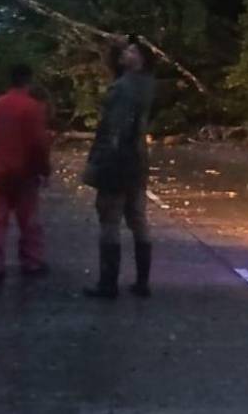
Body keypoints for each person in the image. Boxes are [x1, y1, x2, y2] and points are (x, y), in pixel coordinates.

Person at [83, 36, 156, 299]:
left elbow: (115, 129)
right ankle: (142, 281)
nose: (127, 52)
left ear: (142, 59)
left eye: (133, 50)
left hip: (118, 162)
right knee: (138, 219)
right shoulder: (146, 85)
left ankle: (108, 282)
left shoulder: (122, 89)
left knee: (110, 220)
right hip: (138, 160)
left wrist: (103, 162)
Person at [0, 63, 52, 282]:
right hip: (24, 172)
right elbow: (39, 143)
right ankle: (32, 261)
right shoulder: (33, 108)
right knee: (29, 218)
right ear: (28, 80)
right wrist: (44, 169)